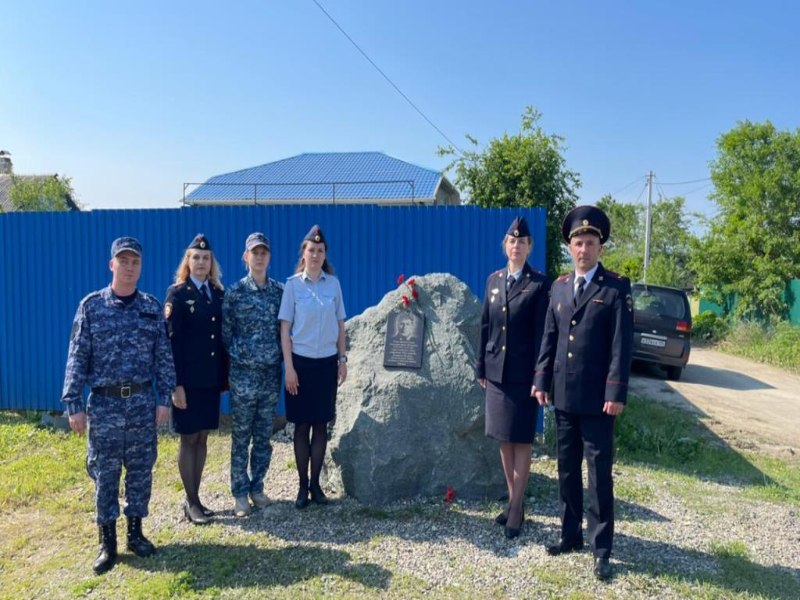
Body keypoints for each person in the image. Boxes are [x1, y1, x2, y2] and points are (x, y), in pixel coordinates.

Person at [61, 237, 176, 575]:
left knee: (141, 470)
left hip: (141, 402)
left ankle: (135, 533)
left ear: (140, 267)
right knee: (105, 474)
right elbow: (77, 356)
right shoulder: (92, 306)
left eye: (134, 262)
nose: (129, 267)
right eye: (122, 261)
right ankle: (107, 542)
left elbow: (163, 356)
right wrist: (73, 403)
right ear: (111, 265)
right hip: (105, 405)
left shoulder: (151, 307)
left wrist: (164, 398)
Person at [534, 205, 633, 581]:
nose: (583, 249)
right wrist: (541, 380)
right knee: (565, 470)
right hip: (563, 397)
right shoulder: (559, 287)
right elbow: (550, 337)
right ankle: (570, 534)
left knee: (599, 474)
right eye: (578, 242)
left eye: (590, 243)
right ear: (570, 247)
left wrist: (616, 391)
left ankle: (601, 547)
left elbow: (621, 346)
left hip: (598, 400)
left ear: (600, 248)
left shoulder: (615, 288)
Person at [475, 216, 551, 539]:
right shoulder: (493, 280)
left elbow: (543, 335)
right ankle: (512, 500)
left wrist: (541, 376)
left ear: (529, 247)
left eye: (522, 241)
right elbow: (484, 326)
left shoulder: (539, 284)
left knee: (522, 439)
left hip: (524, 375)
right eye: (512, 241)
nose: (516, 245)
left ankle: (517, 508)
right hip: (496, 373)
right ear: (505, 246)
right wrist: (481, 366)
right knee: (504, 439)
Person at [279, 225, 347, 509]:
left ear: (324, 254)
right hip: (302, 365)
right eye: (311, 250)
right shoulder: (293, 286)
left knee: (321, 426)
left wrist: (342, 360)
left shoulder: (333, 284)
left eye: (320, 251)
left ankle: (317, 485)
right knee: (301, 426)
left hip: (326, 364)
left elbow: (341, 324)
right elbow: (285, 329)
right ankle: (301, 487)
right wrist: (289, 368)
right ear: (303, 253)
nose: (316, 254)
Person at [165, 234, 226, 525]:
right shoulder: (177, 294)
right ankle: (190, 502)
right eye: (196, 257)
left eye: (206, 258)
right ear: (187, 262)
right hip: (187, 382)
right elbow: (171, 342)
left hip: (210, 380)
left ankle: (196, 498)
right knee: (188, 438)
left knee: (202, 438)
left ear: (211, 262)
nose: (201, 262)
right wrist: (175, 385)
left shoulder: (217, 292)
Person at [221, 232, 284, 517]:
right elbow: (225, 335)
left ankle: (257, 488)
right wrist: (244, 357)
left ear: (269, 257)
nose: (259, 257)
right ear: (245, 257)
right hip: (244, 377)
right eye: (254, 252)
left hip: (270, 377)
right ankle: (239, 494)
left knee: (262, 437)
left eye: (264, 252)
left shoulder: (280, 293)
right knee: (240, 436)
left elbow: (286, 331)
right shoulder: (234, 293)